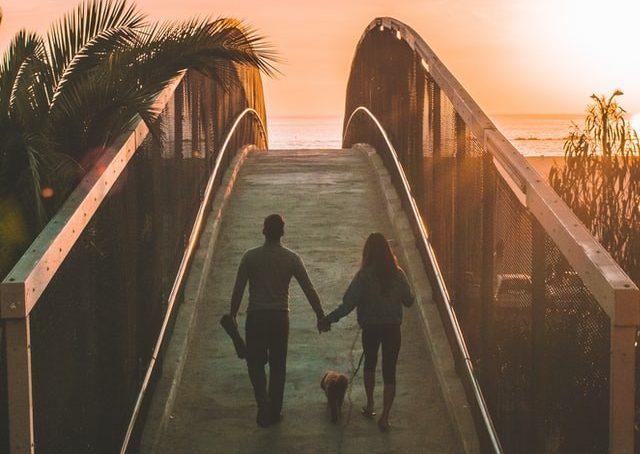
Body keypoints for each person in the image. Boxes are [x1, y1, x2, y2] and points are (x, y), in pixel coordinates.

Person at [229, 214, 326, 427]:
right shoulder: (291, 258)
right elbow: (308, 288)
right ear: (282, 232)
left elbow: (238, 289)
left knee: (255, 363)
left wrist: (233, 314)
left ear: (264, 231)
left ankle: (262, 402)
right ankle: (275, 410)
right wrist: (320, 314)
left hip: (256, 316)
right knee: (278, 365)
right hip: (280, 317)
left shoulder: (250, 257)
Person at [319, 232, 415, 432]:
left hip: (370, 328)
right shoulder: (398, 274)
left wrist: (329, 319)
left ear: (367, 253)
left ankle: (370, 405)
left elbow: (348, 303)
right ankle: (385, 417)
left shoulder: (363, 276)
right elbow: (409, 301)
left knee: (370, 364)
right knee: (390, 372)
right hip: (392, 329)